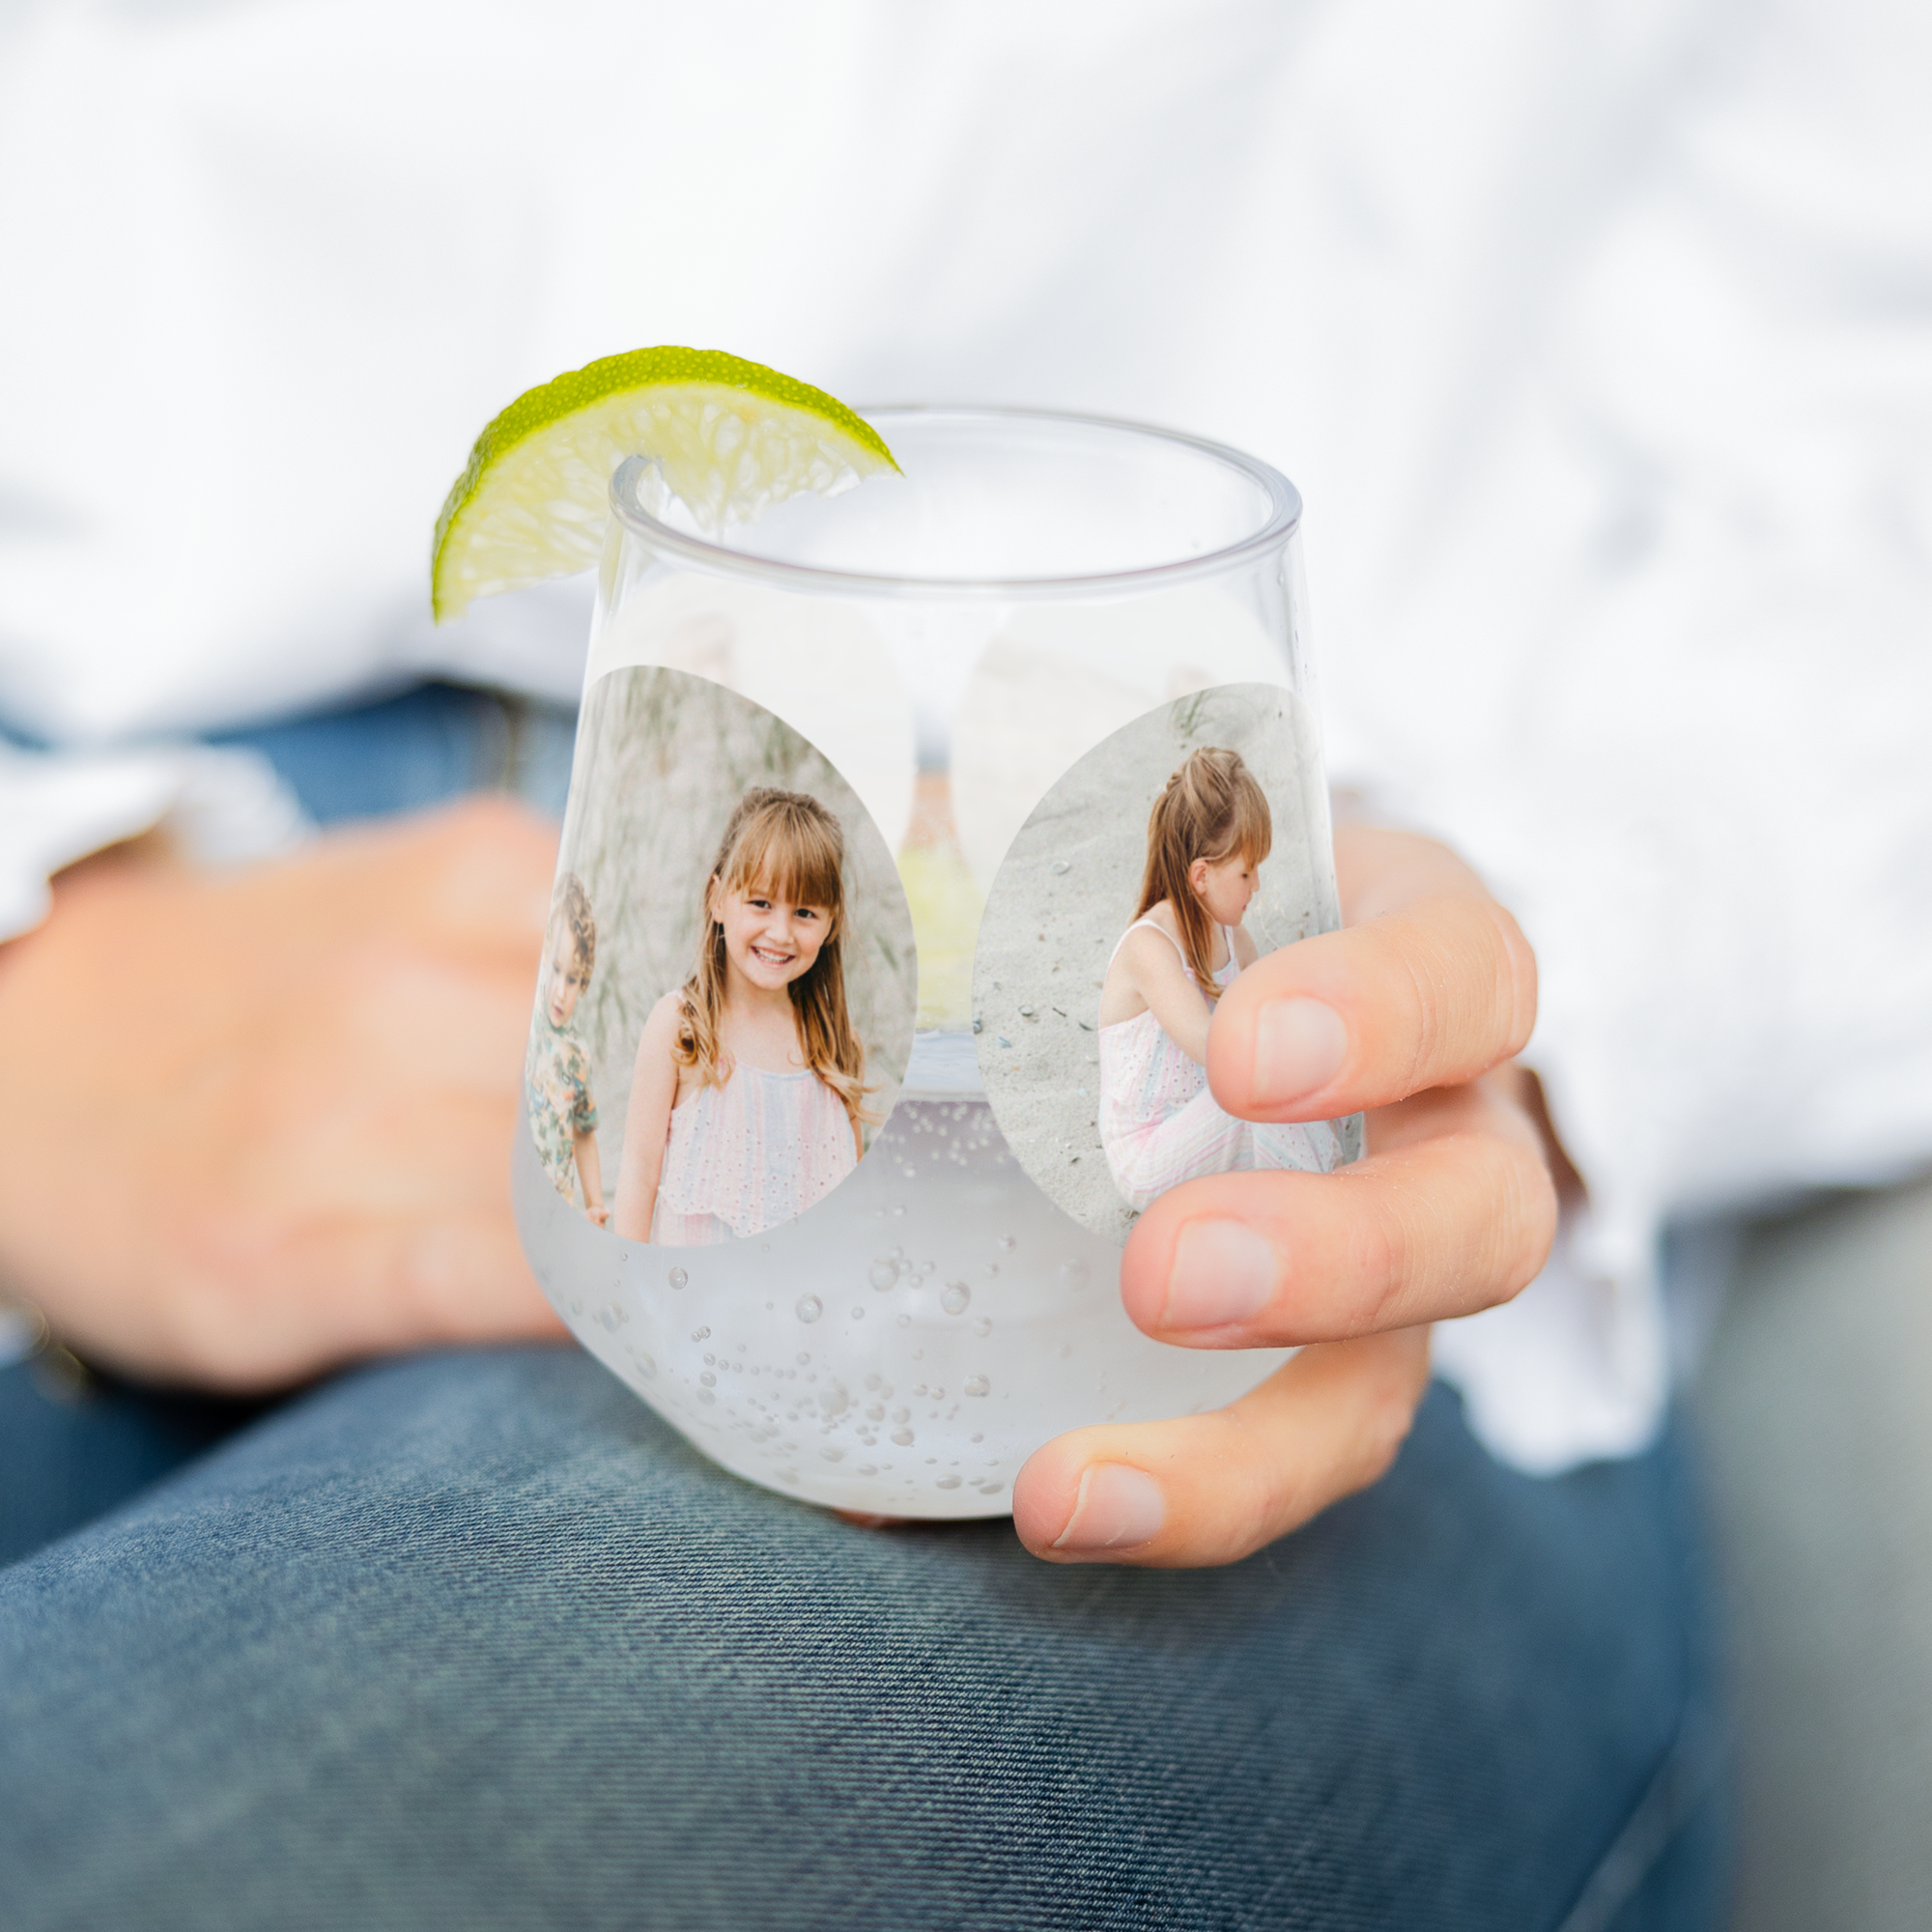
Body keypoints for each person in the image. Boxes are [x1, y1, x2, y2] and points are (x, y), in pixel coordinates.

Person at [613, 788, 868, 1245]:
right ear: (718, 899)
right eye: (761, 903)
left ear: (831, 925)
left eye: (805, 912)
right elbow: (637, 1174)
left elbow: (852, 1208)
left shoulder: (835, 1047)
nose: (780, 932)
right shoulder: (682, 1027)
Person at [1098, 747, 1340, 1211]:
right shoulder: (1149, 947)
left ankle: (1315, 1190)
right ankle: (1323, 1203)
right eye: (1247, 872)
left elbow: (1271, 1015)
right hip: (1149, 1154)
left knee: (1296, 1092)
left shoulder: (1234, 938)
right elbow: (1217, 1049)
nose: (1257, 887)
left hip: (1209, 1127)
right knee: (1257, 1093)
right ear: (1201, 875)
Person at [526, 872, 608, 1226]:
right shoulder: (525, 1023)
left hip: (558, 1214)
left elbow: (585, 1133)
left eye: (572, 978)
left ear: (584, 981)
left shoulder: (575, 1055)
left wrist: (595, 1206)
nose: (560, 990)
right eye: (555, 970)